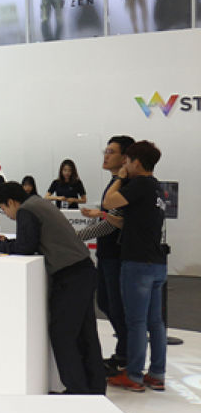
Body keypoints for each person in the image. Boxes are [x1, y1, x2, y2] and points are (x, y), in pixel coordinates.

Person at [0, 182, 105, 395]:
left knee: (63, 335)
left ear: (11, 202)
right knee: (85, 333)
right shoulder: (38, 203)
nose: (7, 214)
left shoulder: (26, 210)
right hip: (83, 270)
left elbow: (25, 247)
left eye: (4, 209)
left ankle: (77, 390)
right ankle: (94, 388)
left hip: (69, 276)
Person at [103, 141, 167, 392]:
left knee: (136, 322)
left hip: (137, 263)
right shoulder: (157, 187)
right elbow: (131, 222)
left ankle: (134, 375)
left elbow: (109, 201)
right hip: (157, 262)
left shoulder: (139, 184)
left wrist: (119, 178)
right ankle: (157, 373)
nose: (125, 165)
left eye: (127, 161)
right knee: (155, 322)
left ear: (136, 162)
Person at [80, 135, 135, 376]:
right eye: (106, 150)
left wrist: (77, 236)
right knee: (105, 302)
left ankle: (125, 355)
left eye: (111, 151)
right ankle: (124, 351)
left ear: (125, 158)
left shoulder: (123, 185)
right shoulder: (115, 182)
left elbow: (113, 224)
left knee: (116, 305)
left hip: (117, 255)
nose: (106, 155)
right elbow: (110, 217)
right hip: (107, 254)